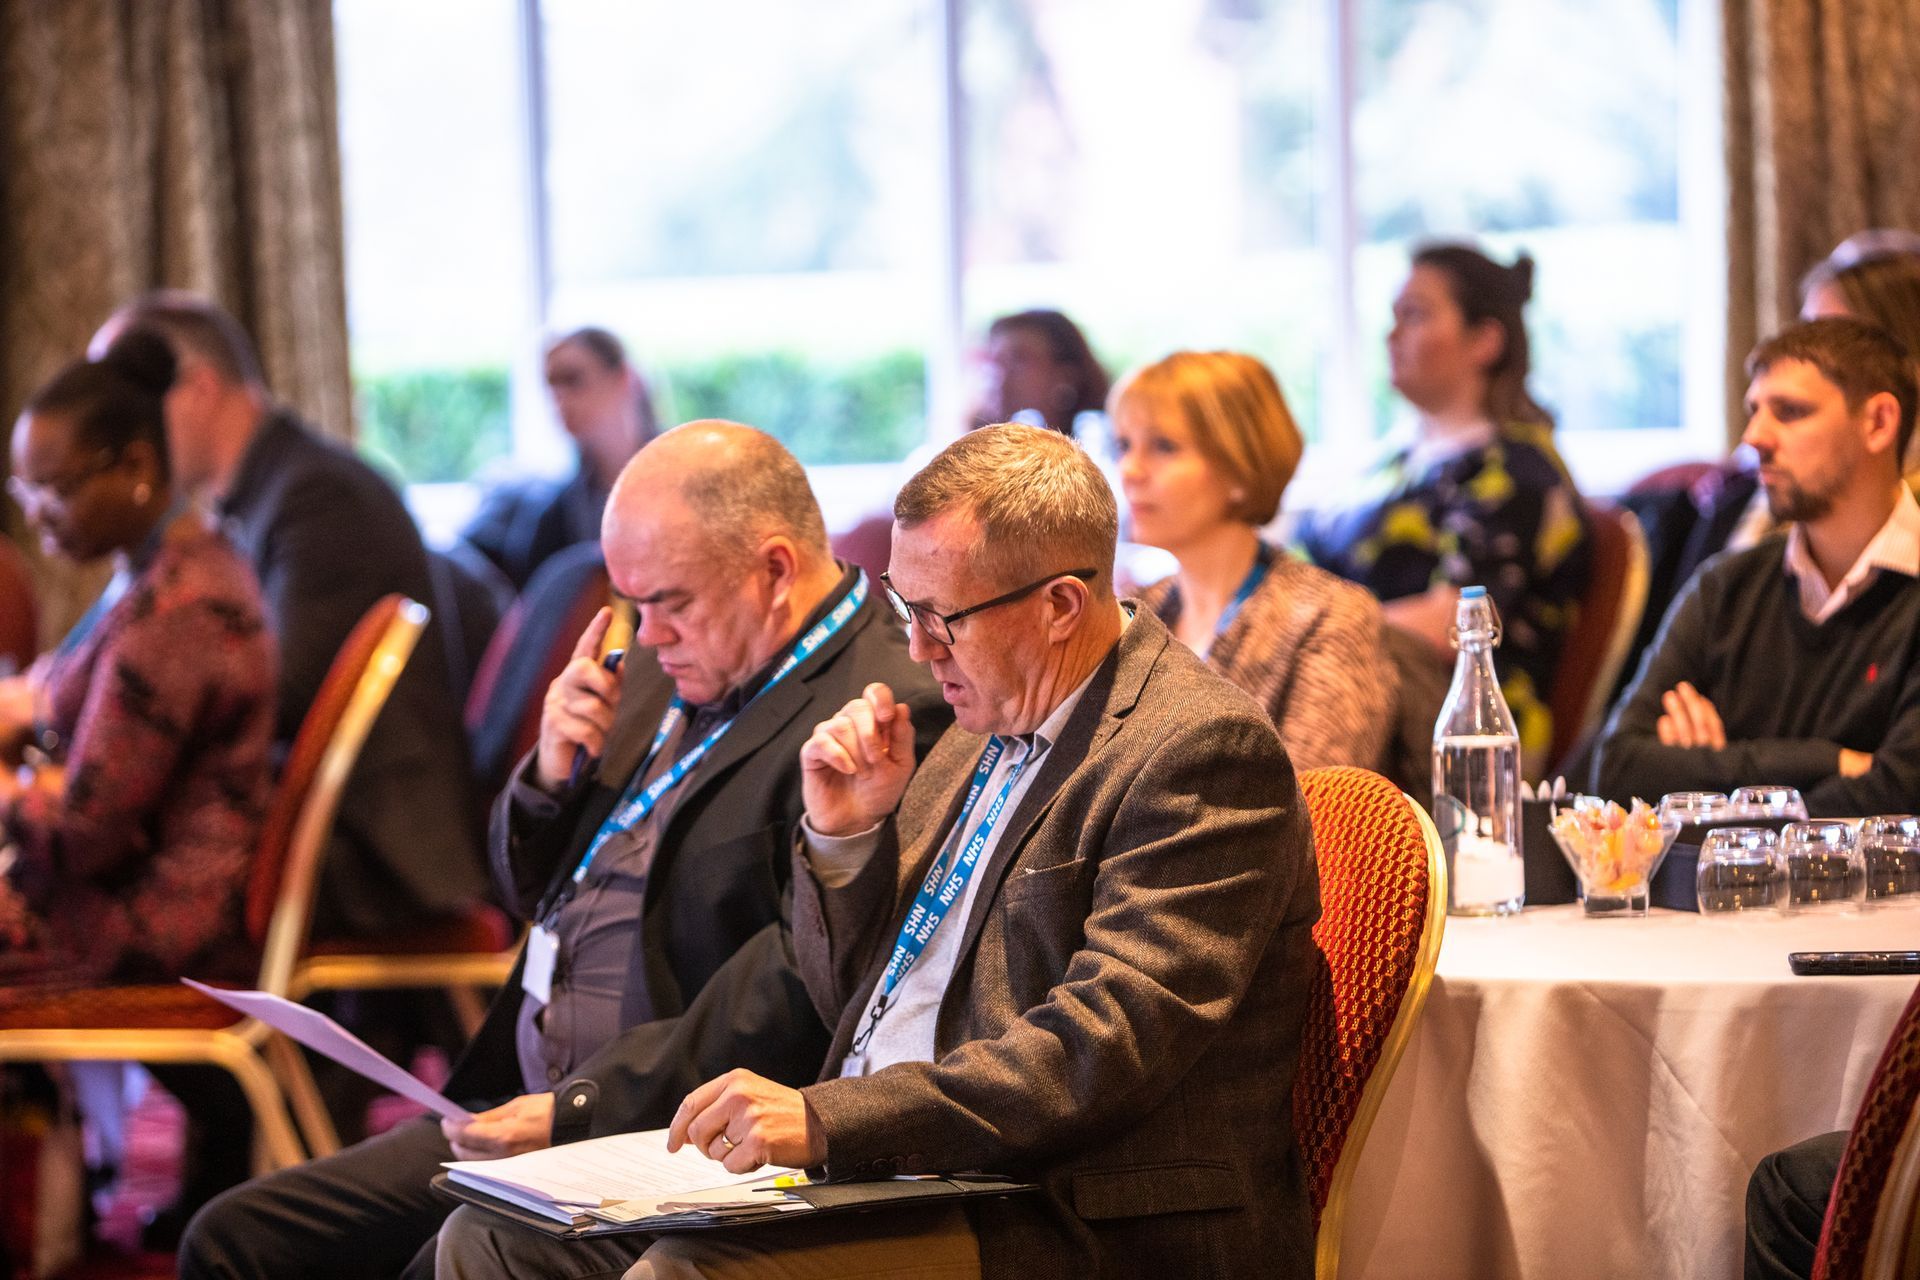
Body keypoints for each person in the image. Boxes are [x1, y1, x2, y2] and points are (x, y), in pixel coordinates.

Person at [434, 423, 1323, 1279]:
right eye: (905, 607)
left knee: (689, 1272)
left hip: (1058, 1207)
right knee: (492, 1238)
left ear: (1060, 606)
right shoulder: (982, 719)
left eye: (942, 616)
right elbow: (849, 996)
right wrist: (844, 838)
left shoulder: (1196, 753)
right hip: (894, 1173)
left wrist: (830, 1120)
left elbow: (1103, 1046)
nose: (914, 646)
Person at [179, 421, 950, 1280]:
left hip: (653, 1130)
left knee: (440, 1265)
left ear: (773, 570)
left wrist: (576, 1109)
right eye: (632, 602)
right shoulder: (667, 659)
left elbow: (798, 986)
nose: (645, 632)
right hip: (516, 1097)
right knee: (238, 1238)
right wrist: (548, 778)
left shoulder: (885, 715)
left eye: (670, 602)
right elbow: (526, 890)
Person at [91, 292, 485, 939]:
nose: (118, 433)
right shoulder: (259, 494)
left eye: (127, 406)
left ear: (197, 388)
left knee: (77, 882)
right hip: (310, 820)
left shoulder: (319, 496)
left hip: (364, 843)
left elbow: (280, 691)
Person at [0, 329, 274, 982]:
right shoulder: (169, 568)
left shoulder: (180, 612)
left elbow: (82, 836)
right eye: (25, 492)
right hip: (123, 892)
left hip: (153, 922)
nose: (38, 517)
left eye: (57, 489)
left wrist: (5, 785)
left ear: (138, 468)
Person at [1594, 317, 1920, 815]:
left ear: (1878, 422)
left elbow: (1902, 793)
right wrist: (1828, 760)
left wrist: (1711, 779)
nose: (1754, 437)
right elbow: (1619, 768)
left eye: (1789, 412)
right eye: (1754, 411)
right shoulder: (1724, 586)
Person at [1296, 243, 1591, 773]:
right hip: (1359, 696)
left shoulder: (1518, 473)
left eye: (1415, 315)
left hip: (1465, 737)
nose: (1391, 335)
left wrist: (1301, 632)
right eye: (1393, 316)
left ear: (1485, 341)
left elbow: (1455, 618)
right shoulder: (1389, 464)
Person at [1113, 350, 1395, 771]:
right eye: (1124, 444)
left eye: (1163, 447)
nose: (1129, 470)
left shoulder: (1330, 617)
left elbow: (1316, 814)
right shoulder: (1135, 613)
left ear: (1240, 468)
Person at [462, 327, 659, 591]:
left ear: (624, 377)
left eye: (573, 379)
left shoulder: (682, 479)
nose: (561, 399)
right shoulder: (552, 516)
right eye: (552, 385)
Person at [972, 309, 1110, 437]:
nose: (1000, 376)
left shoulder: (1099, 443)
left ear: (1065, 376)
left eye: (1018, 361)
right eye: (996, 363)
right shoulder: (974, 451)